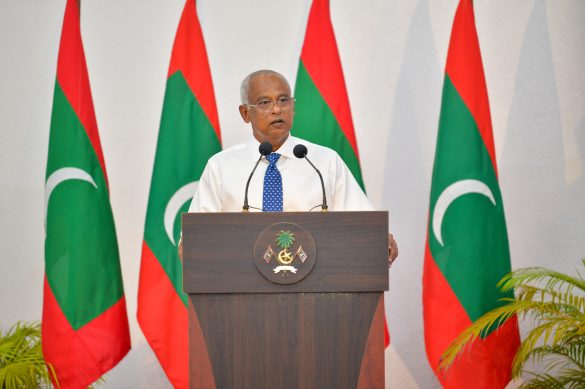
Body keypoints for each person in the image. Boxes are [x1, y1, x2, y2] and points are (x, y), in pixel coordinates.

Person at [180, 69, 398, 264]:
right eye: (265, 103)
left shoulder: (323, 161)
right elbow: (195, 239)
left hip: (316, 293)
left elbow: (362, 224)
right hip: (241, 293)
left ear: (293, 107)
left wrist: (379, 237)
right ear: (245, 113)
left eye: (284, 100)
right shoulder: (221, 167)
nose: (277, 109)